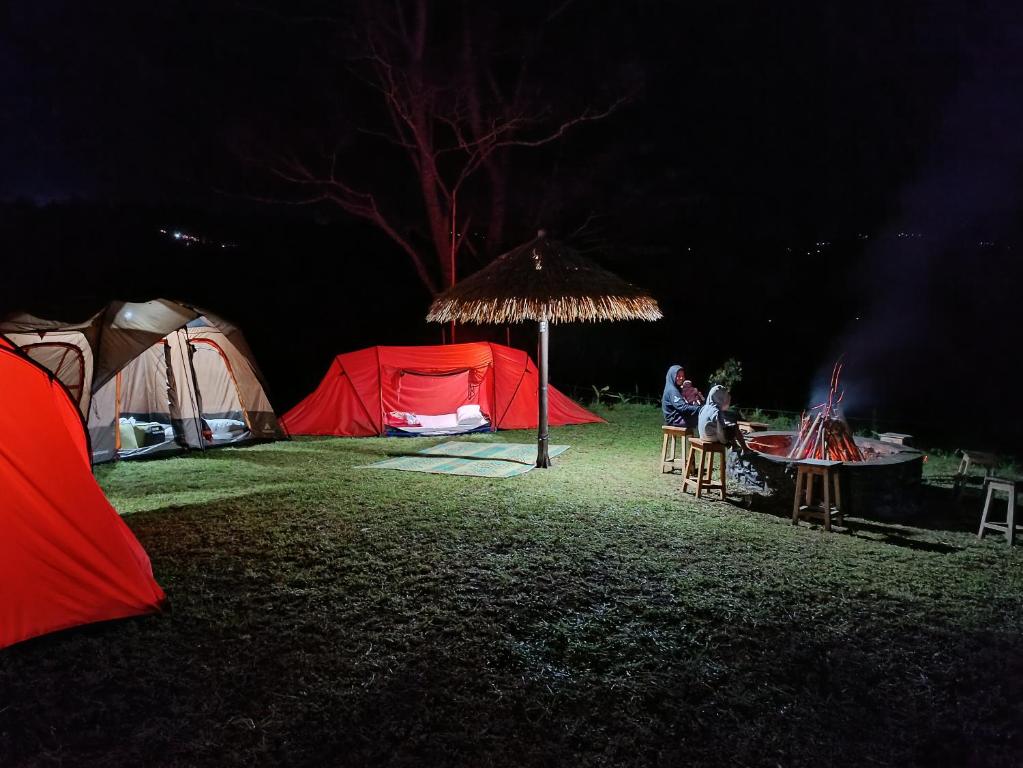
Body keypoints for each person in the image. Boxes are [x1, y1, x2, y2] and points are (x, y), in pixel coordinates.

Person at [698, 384, 752, 455]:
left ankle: (736, 446)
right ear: (720, 398)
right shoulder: (716, 411)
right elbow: (722, 428)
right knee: (733, 427)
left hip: (702, 436)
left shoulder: (704, 408)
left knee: (729, 427)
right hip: (711, 438)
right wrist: (730, 435)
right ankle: (745, 449)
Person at [662, 364, 702, 429]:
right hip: (675, 420)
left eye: (683, 376)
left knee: (700, 415)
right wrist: (699, 409)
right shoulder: (672, 390)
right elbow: (682, 407)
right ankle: (708, 437)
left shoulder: (672, 387)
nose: (681, 378)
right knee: (704, 417)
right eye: (678, 376)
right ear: (672, 375)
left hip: (675, 417)